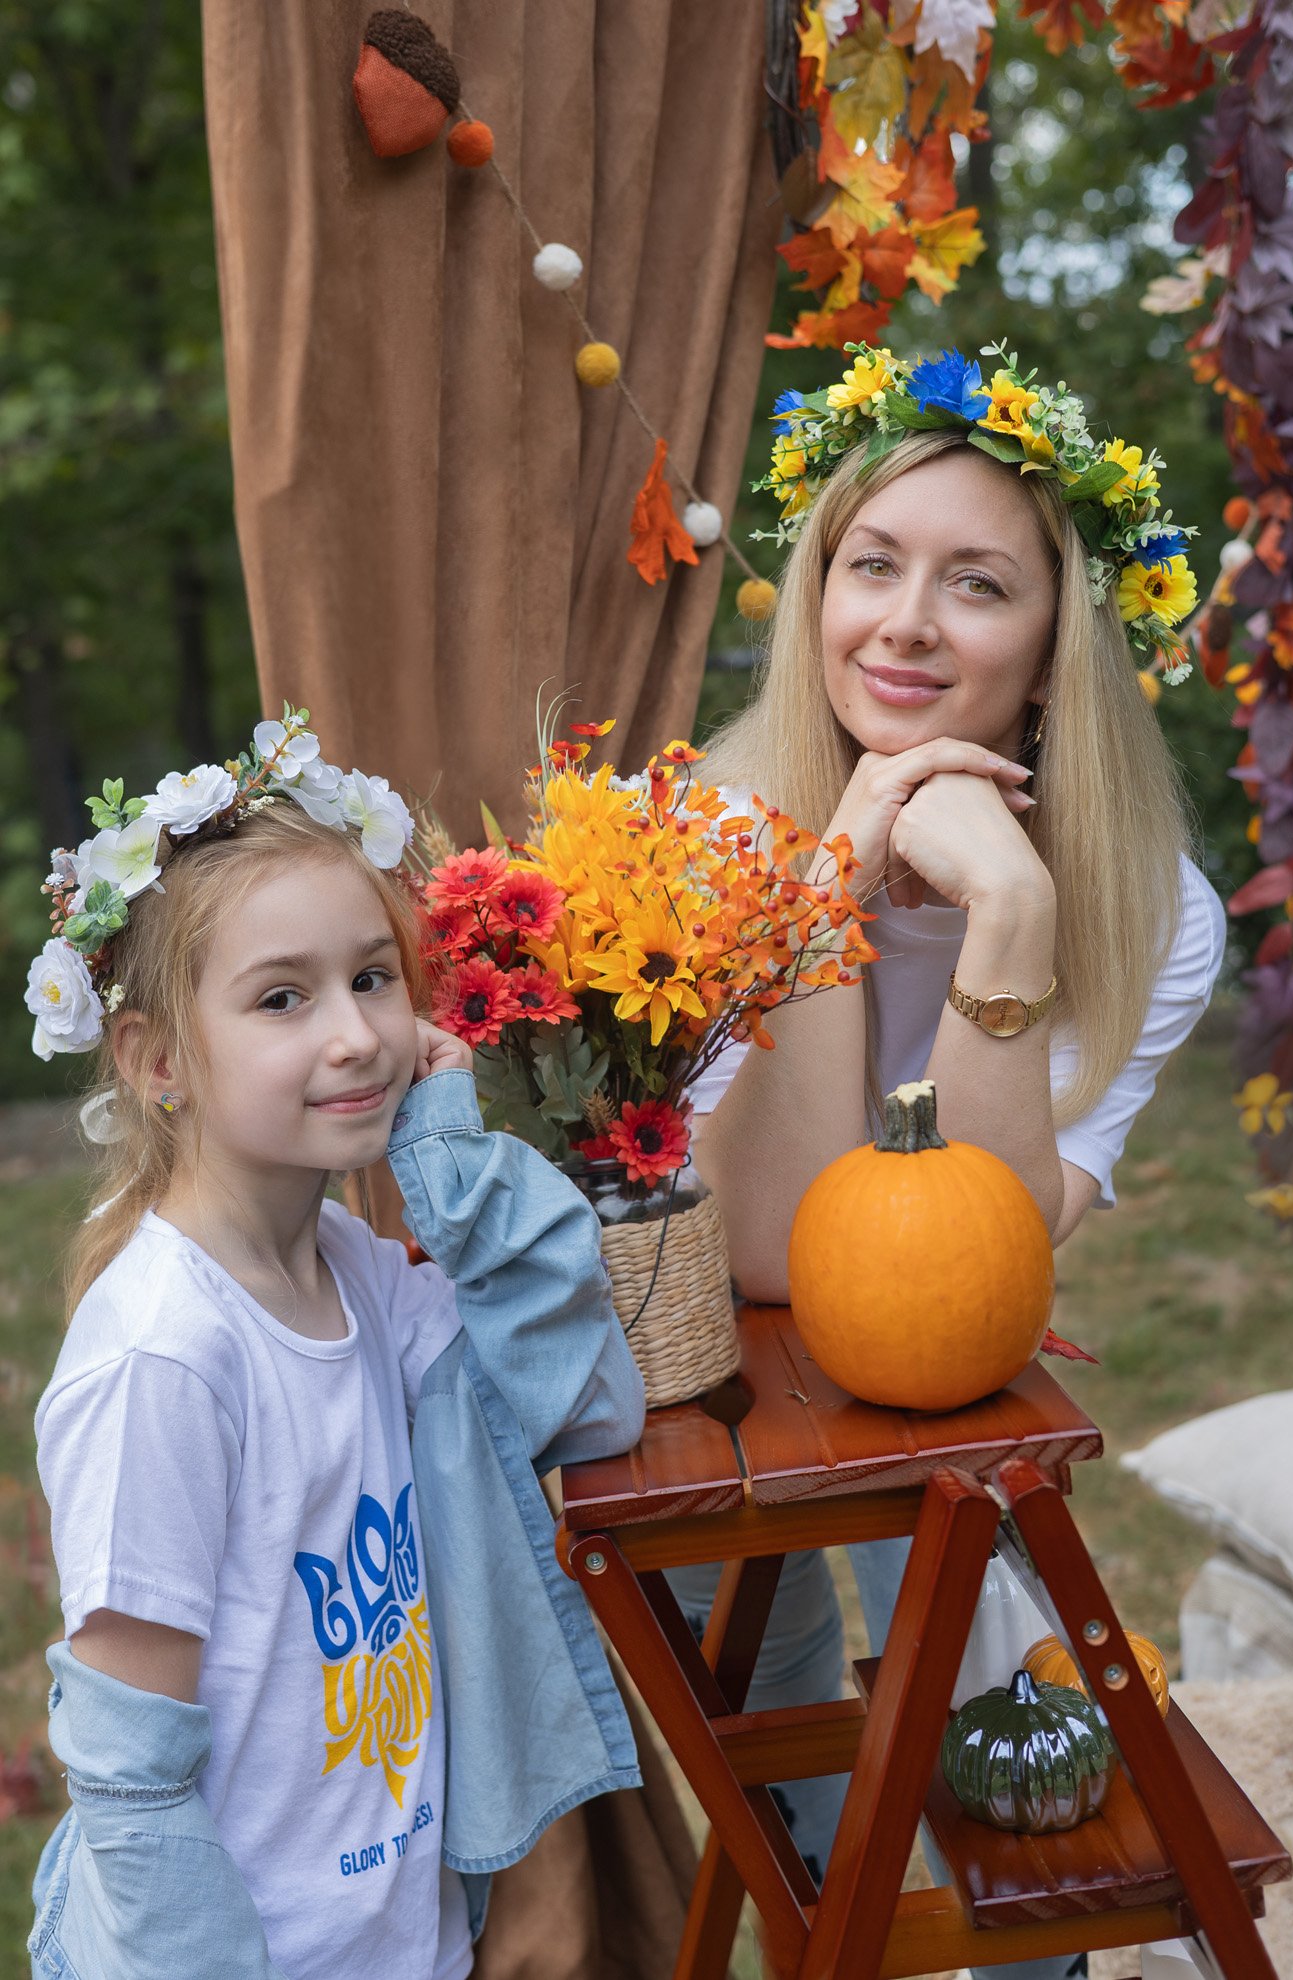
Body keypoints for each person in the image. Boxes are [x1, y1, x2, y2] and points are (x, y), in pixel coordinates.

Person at [682, 344, 1226, 1979]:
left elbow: (979, 1289)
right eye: (872, 566)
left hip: (945, 1394)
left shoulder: (1151, 909)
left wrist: (1011, 913)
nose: (907, 620)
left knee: (971, 1563)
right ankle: (836, 1912)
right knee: (758, 1653)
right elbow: (769, 1250)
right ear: (817, 596)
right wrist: (826, 901)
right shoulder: (706, 832)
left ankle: (1021, 1941)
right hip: (695, 1369)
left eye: (975, 583)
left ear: (1056, 648)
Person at [25, 713, 646, 1980]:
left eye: (372, 978)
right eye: (281, 999)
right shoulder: (166, 1359)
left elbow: (583, 1398)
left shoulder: (361, 1280)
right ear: (156, 1062)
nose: (358, 1035)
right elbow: (132, 1788)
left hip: (401, 1940)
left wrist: (447, 1153)